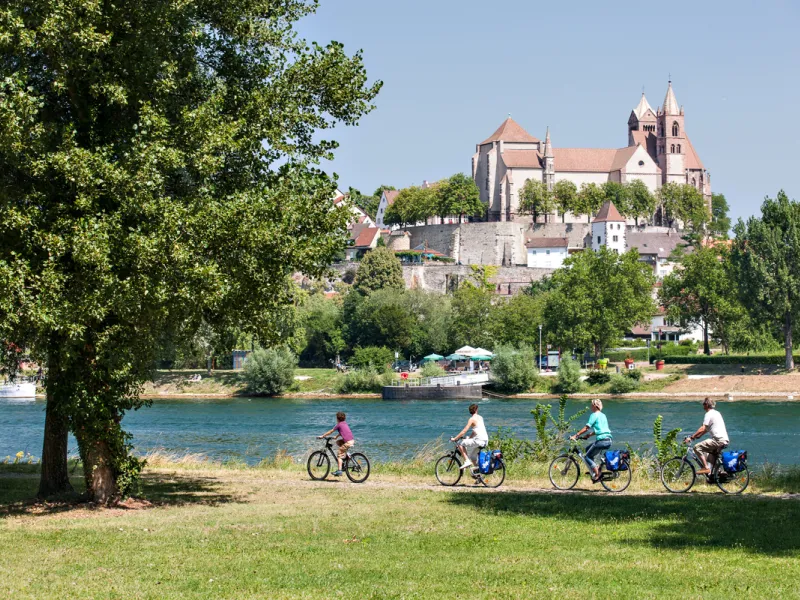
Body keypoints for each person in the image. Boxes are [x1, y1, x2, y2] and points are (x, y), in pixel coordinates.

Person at [684, 397, 729, 475]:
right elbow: (706, 430)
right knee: (708, 455)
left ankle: (706, 468)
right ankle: (718, 473)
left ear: (707, 405)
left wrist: (691, 438)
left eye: (703, 404)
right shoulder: (717, 413)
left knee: (696, 447)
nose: (703, 406)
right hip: (724, 440)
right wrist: (697, 436)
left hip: (717, 440)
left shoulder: (708, 414)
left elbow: (703, 428)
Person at [571, 399, 612, 482]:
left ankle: (597, 474)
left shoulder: (594, 415)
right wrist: (589, 435)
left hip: (601, 441)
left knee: (586, 456)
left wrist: (576, 435)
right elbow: (601, 429)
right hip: (608, 440)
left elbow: (587, 427)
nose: (590, 407)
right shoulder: (603, 415)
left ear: (594, 406)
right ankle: (594, 470)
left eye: (591, 405)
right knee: (587, 450)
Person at [450, 403, 489, 470]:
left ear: (470, 411)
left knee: (459, 442)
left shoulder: (472, 419)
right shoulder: (480, 417)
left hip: (478, 440)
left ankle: (467, 461)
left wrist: (455, 438)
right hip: (485, 440)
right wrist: (470, 438)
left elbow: (464, 431)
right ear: (476, 409)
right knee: (473, 457)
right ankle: (478, 476)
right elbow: (475, 430)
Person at [318, 411, 355, 477]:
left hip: (347, 442)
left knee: (339, 454)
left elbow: (331, 431)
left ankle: (339, 471)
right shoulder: (344, 423)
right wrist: (336, 437)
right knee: (338, 442)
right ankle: (346, 457)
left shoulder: (339, 424)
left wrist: (323, 436)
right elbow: (342, 431)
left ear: (337, 419)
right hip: (351, 440)